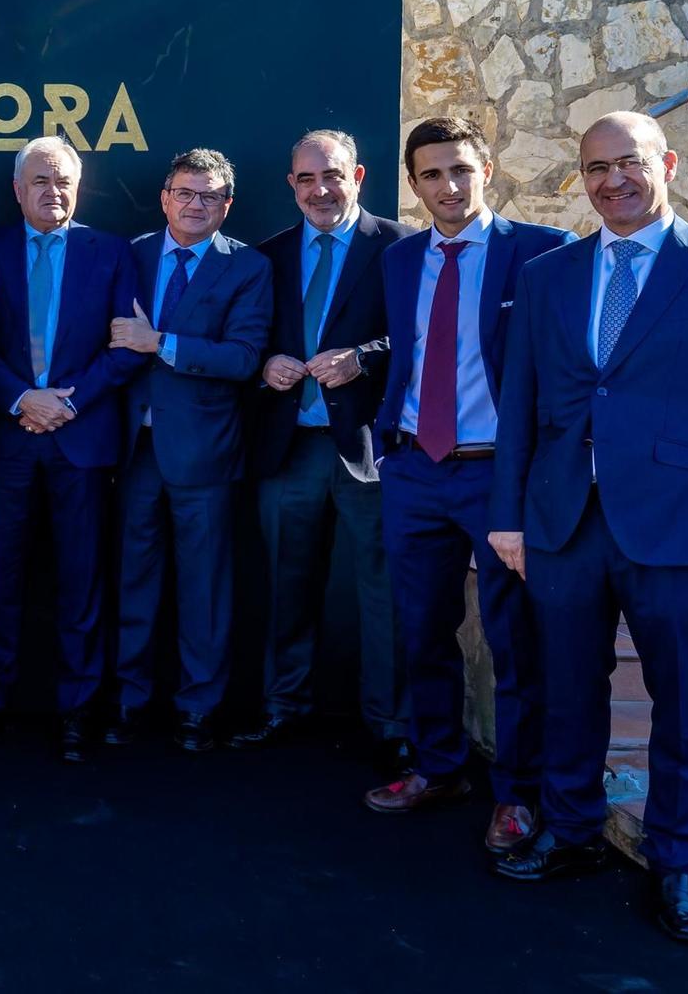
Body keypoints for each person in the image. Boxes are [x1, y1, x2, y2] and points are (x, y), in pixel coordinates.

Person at [489, 111, 688, 946]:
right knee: (566, 691)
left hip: (680, 529)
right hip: (563, 523)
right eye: (597, 167)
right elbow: (521, 407)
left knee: (687, 707)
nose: (613, 181)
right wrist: (508, 520)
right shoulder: (548, 275)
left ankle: (679, 867)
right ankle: (571, 833)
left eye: (629, 163)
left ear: (668, 164)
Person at [364, 118, 568, 854]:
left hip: (499, 473)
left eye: (460, 170)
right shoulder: (401, 258)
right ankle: (439, 765)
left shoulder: (542, 253)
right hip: (415, 467)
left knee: (515, 637)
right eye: (430, 175)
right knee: (420, 631)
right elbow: (405, 346)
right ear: (413, 185)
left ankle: (517, 793)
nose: (447, 187)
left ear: (487, 169)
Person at [234, 129, 414, 773]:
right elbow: (243, 340)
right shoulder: (268, 256)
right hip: (289, 448)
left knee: (383, 590)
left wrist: (363, 359)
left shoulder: (398, 246)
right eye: (306, 179)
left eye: (331, 175)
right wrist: (265, 366)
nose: (320, 190)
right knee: (285, 584)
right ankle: (284, 706)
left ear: (357, 176)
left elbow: (422, 338)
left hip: (370, 450)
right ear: (291, 185)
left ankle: (391, 723)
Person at [0, 137, 142, 760]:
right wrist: (22, 399)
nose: (54, 191)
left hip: (82, 440)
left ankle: (76, 710)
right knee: (1, 577)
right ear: (18, 190)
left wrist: (67, 402)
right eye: (40, 180)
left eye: (64, 179)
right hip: (10, 441)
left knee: (81, 582)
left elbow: (127, 345)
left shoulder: (111, 252)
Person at [109, 149, 272, 752]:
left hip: (205, 451)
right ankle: (130, 698)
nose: (195, 204)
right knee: (134, 577)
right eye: (185, 193)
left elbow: (243, 357)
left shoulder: (247, 267)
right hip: (133, 448)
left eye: (209, 196)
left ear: (227, 205)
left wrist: (162, 343)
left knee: (204, 586)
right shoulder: (133, 254)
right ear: (165, 198)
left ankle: (198, 707)